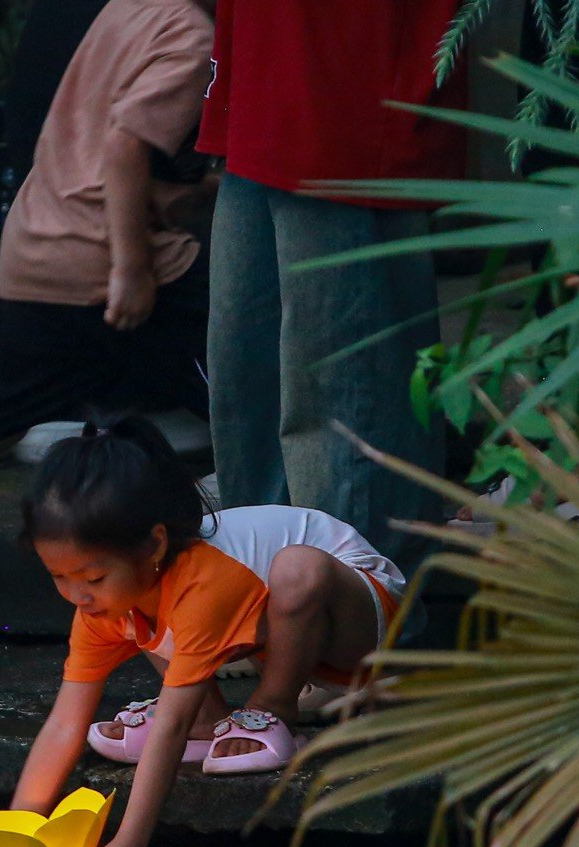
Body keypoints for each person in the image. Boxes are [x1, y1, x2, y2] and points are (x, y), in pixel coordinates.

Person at [8, 418, 404, 847]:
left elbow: (168, 726)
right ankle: (210, 720)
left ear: (154, 545)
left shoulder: (202, 581)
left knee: (297, 568)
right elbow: (65, 722)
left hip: (356, 623)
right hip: (277, 643)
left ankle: (274, 707)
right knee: (140, 618)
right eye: (60, 578)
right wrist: (15, 834)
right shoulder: (102, 600)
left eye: (92, 579)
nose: (78, 595)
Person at [197, 0, 469, 574]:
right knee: (244, 377)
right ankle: (260, 596)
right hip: (267, 57)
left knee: (340, 393)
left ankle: (354, 623)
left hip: (349, 72)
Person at [0, 0, 216, 457]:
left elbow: (98, 135)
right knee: (247, 393)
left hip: (32, 249)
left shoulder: (128, 8)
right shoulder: (195, 37)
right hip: (107, 257)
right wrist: (130, 269)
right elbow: (124, 145)